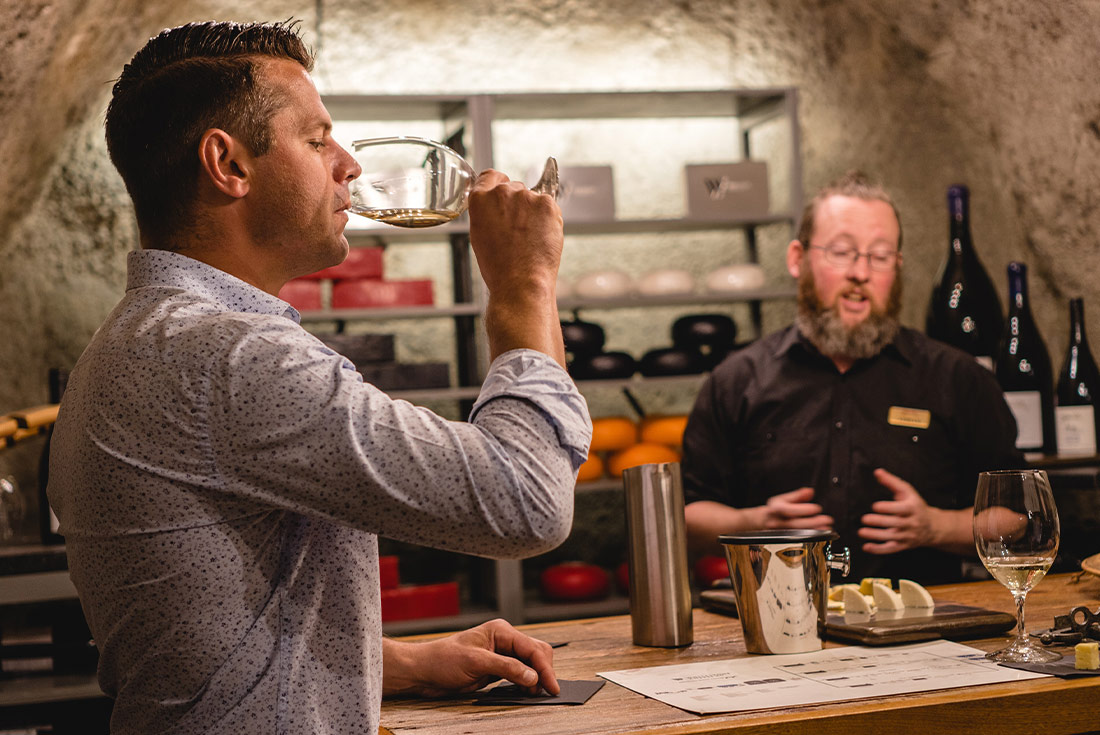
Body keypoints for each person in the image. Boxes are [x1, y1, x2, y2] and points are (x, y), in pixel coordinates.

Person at [47, 20, 591, 735]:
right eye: (316, 139)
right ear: (229, 164)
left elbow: (199, 636)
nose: (349, 165)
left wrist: (406, 660)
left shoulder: (149, 335)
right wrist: (524, 283)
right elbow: (525, 500)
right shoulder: (229, 356)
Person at [681, 170, 1022, 584]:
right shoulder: (736, 382)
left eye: (879, 256)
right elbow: (688, 516)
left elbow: (1017, 516)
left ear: (896, 267)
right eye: (841, 252)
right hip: (774, 627)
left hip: (926, 629)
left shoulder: (958, 379)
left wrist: (937, 526)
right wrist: (753, 523)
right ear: (797, 259)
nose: (860, 272)